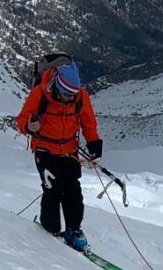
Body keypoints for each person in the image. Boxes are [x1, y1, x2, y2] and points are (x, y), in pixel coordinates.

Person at [15, 61, 103, 250]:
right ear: (57, 86)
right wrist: (29, 127)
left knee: (73, 192)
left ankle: (74, 229)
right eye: (66, 94)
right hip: (45, 149)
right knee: (53, 190)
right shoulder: (40, 94)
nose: (69, 98)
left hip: (69, 150)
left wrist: (94, 144)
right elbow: (22, 120)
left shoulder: (80, 96)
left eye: (73, 94)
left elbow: (88, 122)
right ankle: (51, 231)